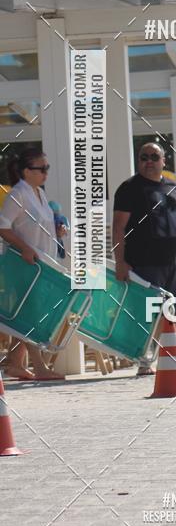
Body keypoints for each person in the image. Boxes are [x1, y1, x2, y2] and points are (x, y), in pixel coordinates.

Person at [112, 143, 176, 375]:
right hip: (144, 262)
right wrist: (120, 261)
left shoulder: (172, 186)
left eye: (154, 157)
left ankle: (173, 358)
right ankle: (144, 362)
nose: (148, 161)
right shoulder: (129, 188)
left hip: (171, 263)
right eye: (143, 157)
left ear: (163, 161)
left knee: (173, 311)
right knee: (147, 314)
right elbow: (118, 227)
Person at [0, 148, 66, 380]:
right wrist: (25, 248)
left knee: (28, 314)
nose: (46, 173)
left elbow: (41, 224)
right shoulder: (18, 194)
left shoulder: (39, 193)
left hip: (43, 265)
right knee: (31, 316)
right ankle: (39, 367)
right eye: (42, 169)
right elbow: (3, 226)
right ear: (27, 171)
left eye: (47, 168)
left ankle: (15, 363)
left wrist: (57, 230)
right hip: (25, 264)